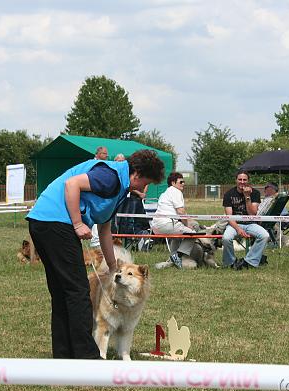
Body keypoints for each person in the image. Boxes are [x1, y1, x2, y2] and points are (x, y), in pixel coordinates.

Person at [26, 150, 164, 359]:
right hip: (55, 223)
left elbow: (104, 228)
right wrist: (78, 223)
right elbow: (71, 185)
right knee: (78, 291)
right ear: (137, 173)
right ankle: (87, 356)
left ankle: (64, 355)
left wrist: (112, 266)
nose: (145, 187)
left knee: (63, 292)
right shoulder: (110, 177)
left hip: (44, 223)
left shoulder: (120, 187)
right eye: (147, 182)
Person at [222, 170, 269, 269]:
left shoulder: (255, 193)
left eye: (244, 180)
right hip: (234, 224)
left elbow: (252, 213)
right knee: (226, 238)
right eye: (240, 179)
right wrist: (238, 229)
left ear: (248, 181)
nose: (242, 182)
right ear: (236, 180)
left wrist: (247, 196)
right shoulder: (228, 194)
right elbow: (229, 217)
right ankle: (230, 262)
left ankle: (249, 261)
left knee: (264, 235)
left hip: (250, 223)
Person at [151, 172, 196, 268]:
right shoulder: (176, 191)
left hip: (156, 227)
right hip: (167, 224)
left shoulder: (165, 193)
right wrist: (188, 225)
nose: (183, 183)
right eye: (181, 182)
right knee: (193, 234)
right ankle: (177, 256)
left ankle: (172, 260)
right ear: (173, 183)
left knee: (177, 237)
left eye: (184, 182)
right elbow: (181, 211)